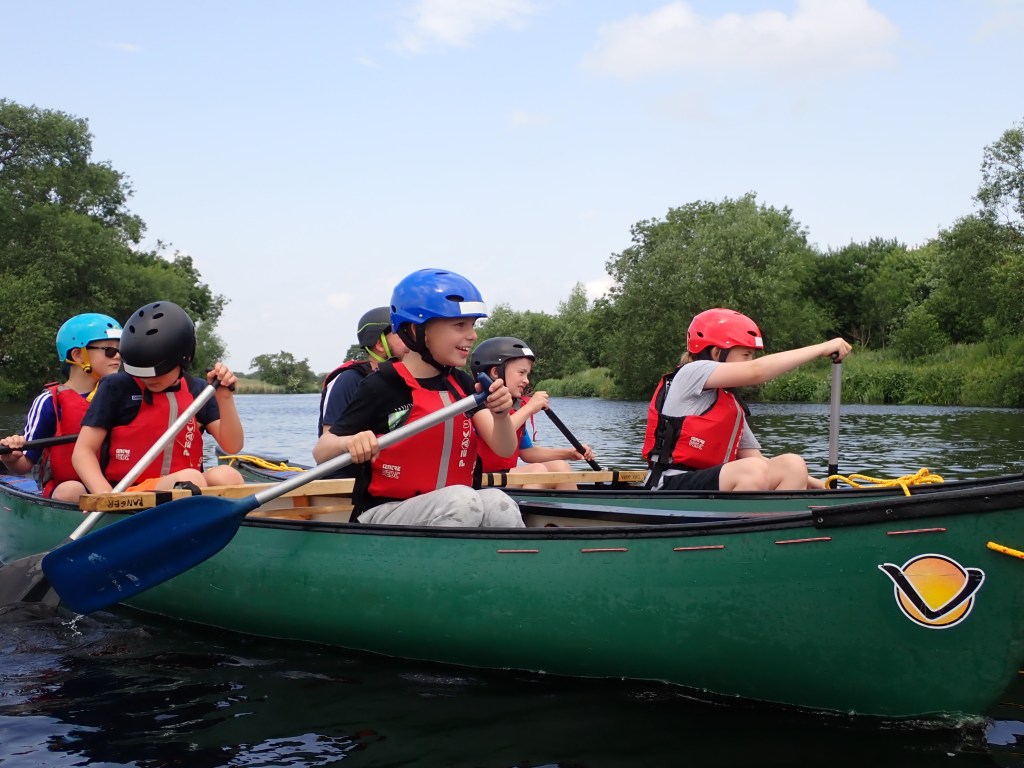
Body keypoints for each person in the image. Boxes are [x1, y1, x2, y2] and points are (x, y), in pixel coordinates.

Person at [313, 268, 525, 527]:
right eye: (460, 325)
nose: (473, 335)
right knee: (462, 500)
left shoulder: (463, 384)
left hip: (453, 505)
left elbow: (504, 448)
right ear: (416, 330)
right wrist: (350, 442)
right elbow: (321, 451)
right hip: (385, 512)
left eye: (472, 325)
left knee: (499, 502)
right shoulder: (382, 385)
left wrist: (501, 415)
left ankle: (508, 554)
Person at [643, 308, 852, 492]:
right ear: (717, 353)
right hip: (668, 484)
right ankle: (748, 522)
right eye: (746, 355)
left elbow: (756, 459)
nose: (750, 361)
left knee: (792, 465)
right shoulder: (691, 373)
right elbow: (757, 371)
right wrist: (821, 348)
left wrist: (822, 486)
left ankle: (779, 520)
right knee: (752, 471)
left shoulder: (730, 405)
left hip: (710, 486)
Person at [72, 300, 245, 494]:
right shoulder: (116, 387)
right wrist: (106, 498)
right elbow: (83, 452)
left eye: (157, 373)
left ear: (184, 359)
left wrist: (225, 397)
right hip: (129, 493)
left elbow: (232, 446)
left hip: (187, 487)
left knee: (228, 476)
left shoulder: (197, 390)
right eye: (141, 372)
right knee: (191, 478)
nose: (149, 379)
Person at [0, 313, 123, 501]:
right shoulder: (49, 401)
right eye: (109, 350)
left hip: (118, 486)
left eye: (121, 350)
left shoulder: (125, 397)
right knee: (72, 490)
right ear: (77, 355)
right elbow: (24, 465)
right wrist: (10, 459)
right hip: (67, 489)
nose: (118, 356)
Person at [470, 336, 595, 490]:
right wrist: (529, 408)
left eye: (527, 374)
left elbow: (527, 452)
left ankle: (567, 506)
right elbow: (495, 435)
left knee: (560, 467)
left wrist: (569, 453)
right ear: (495, 372)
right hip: (478, 478)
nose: (526, 380)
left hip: (502, 477)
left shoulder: (516, 408)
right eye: (521, 373)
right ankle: (528, 506)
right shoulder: (477, 406)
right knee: (537, 470)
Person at [318, 306, 408, 435]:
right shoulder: (349, 381)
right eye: (401, 335)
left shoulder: (407, 379)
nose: (410, 341)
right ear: (380, 344)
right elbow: (328, 441)